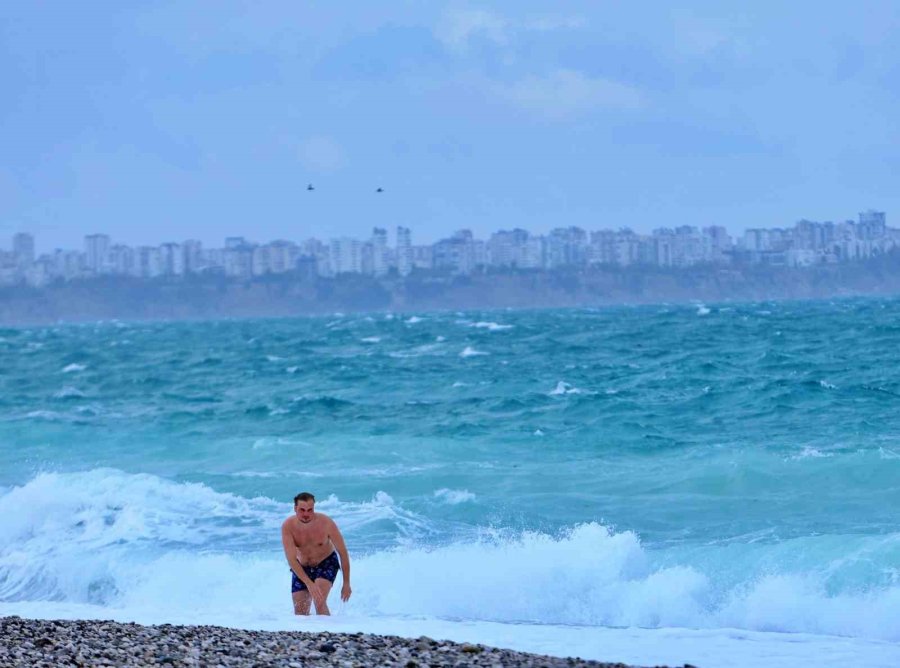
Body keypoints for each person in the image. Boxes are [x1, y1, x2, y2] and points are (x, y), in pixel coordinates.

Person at [281, 492, 351, 615]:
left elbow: (343, 553)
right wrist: (309, 583)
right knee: (300, 612)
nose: (306, 514)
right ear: (295, 508)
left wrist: (346, 583)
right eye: (302, 510)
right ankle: (310, 629)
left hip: (326, 563)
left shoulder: (326, 523)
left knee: (319, 601)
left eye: (310, 510)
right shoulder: (288, 526)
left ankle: (328, 627)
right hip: (302, 566)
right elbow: (291, 560)